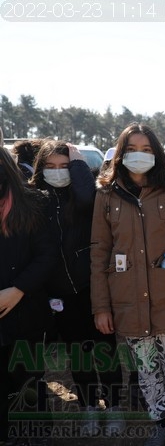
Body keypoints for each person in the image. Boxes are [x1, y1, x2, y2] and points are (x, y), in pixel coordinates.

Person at [90, 123, 165, 446]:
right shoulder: (106, 195)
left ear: (155, 153)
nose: (139, 156)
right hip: (127, 300)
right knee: (148, 370)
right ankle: (161, 421)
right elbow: (99, 252)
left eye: (146, 149)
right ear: (121, 154)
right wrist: (101, 306)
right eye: (132, 149)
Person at [30, 140, 125, 435]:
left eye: (64, 166)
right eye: (52, 167)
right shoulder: (35, 200)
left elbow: (89, 198)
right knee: (78, 354)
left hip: (92, 288)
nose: (59, 173)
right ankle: (87, 407)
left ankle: (115, 407)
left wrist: (78, 162)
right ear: (41, 169)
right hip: (59, 293)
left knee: (105, 350)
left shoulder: (83, 198)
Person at [0, 135, 57, 445]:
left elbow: (46, 254)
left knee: (28, 380)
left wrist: (18, 289)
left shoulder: (33, 202)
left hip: (25, 310)